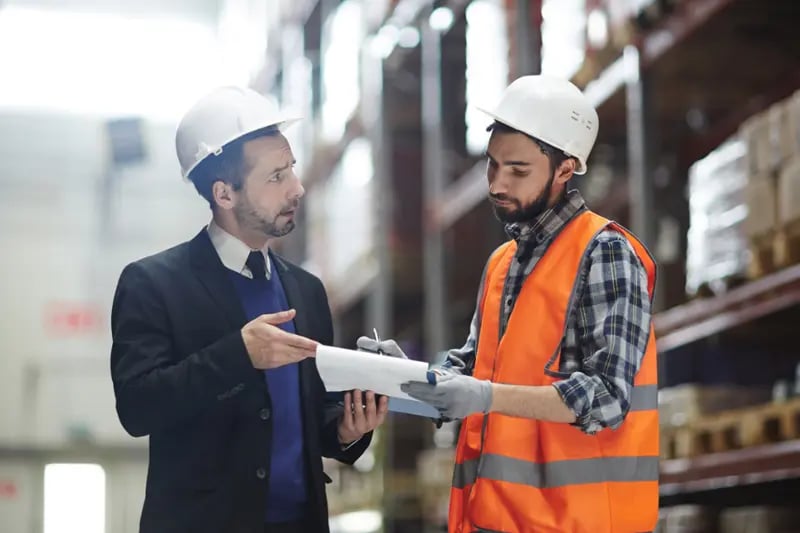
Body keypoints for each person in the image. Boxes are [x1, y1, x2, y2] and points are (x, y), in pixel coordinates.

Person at [358, 75, 658, 533]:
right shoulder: (503, 262)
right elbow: (477, 372)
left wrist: (483, 395)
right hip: (498, 519)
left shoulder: (606, 252)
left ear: (565, 169)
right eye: (493, 165)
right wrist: (407, 379)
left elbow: (607, 396)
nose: (497, 184)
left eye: (518, 170)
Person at [110, 86, 388, 533]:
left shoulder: (306, 290)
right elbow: (138, 407)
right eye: (276, 177)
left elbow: (310, 418)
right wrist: (239, 355)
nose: (297, 188)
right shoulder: (153, 284)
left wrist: (346, 430)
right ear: (225, 194)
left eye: (292, 168)